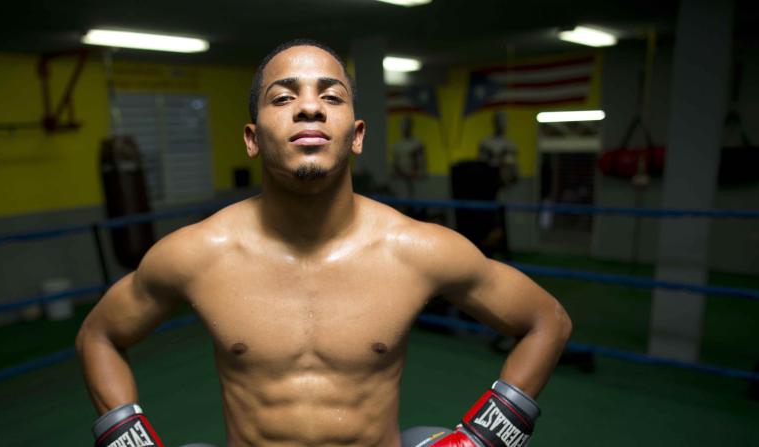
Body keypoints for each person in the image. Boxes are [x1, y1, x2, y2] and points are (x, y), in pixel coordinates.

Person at [76, 39, 572, 447]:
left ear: (356, 135)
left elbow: (546, 320)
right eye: (282, 98)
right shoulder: (197, 253)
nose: (310, 107)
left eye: (331, 97)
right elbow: (98, 336)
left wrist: (487, 436)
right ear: (252, 138)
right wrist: (127, 439)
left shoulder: (417, 249)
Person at [477, 111, 518, 188]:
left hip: (507, 183)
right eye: (499, 121)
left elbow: (512, 162)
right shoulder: (486, 143)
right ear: (494, 122)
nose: (502, 124)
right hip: (489, 180)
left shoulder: (511, 145)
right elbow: (481, 161)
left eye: (504, 121)